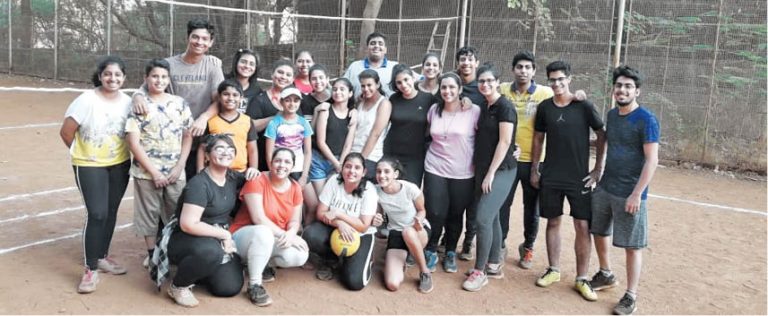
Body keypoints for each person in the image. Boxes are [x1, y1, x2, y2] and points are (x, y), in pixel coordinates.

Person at [530, 60, 606, 301]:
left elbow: (602, 134)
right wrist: (535, 169)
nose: (557, 83)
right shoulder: (544, 108)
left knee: (582, 226)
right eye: (552, 79)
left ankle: (582, 278)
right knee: (553, 222)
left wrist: (597, 168)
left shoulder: (583, 106)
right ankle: (553, 269)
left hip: (579, 178)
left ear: (569, 79)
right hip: (551, 175)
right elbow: (538, 139)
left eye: (561, 79)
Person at [589, 66, 659, 315]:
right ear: (613, 89)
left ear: (637, 91)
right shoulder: (612, 114)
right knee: (598, 230)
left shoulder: (646, 120)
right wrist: (598, 170)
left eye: (628, 86)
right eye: (619, 85)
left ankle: (630, 296)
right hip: (606, 186)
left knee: (632, 245)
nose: (623, 90)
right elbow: (606, 142)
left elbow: (652, 160)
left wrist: (636, 194)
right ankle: (606, 273)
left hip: (629, 192)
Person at [60, 56, 132, 294]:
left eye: (117, 75)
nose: (113, 78)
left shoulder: (128, 102)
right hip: (90, 165)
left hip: (119, 163)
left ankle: (102, 256)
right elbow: (67, 131)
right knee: (97, 213)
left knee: (111, 211)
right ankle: (90, 269)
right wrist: (83, 154)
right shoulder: (86, 100)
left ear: (124, 78)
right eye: (108, 74)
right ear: (100, 76)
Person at [132, 18, 225, 180]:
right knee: (171, 188)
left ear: (211, 43)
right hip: (173, 142)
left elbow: (220, 100)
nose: (199, 42)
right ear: (187, 38)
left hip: (202, 139)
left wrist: (203, 118)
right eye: (195, 37)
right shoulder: (169, 64)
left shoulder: (213, 66)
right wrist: (137, 96)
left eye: (204, 39)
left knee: (196, 187)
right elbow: (144, 87)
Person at [159, 134, 245, 307]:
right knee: (211, 253)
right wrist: (224, 235)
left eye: (230, 149)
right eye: (219, 148)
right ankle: (179, 286)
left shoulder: (232, 177)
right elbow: (188, 224)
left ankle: (199, 270)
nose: (225, 153)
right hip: (186, 237)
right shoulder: (199, 184)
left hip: (213, 238)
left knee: (228, 287)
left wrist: (255, 172)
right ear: (206, 155)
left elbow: (256, 182)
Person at [125, 59, 193, 269]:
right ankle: (152, 253)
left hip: (175, 172)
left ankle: (173, 251)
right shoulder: (139, 104)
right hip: (146, 173)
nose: (159, 80)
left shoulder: (179, 103)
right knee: (149, 215)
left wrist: (180, 166)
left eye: (164, 77)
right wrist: (154, 172)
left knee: (178, 212)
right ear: (146, 79)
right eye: (155, 76)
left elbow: (187, 135)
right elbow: (133, 142)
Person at [230, 147, 310, 307]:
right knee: (264, 232)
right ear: (271, 163)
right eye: (278, 160)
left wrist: (291, 233)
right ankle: (254, 285)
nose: (282, 165)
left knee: (300, 254)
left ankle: (262, 263)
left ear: (293, 166)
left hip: (272, 237)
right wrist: (283, 234)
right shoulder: (257, 180)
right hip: (243, 236)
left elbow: (295, 221)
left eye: (287, 162)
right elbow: (258, 218)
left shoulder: (295, 188)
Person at [462, 63, 517, 292]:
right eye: (481, 81)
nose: (485, 85)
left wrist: (491, 173)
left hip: (502, 170)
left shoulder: (505, 106)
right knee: (492, 217)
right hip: (485, 168)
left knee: (483, 218)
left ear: (498, 83)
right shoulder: (486, 105)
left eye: (489, 81)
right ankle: (494, 263)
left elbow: (505, 142)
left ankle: (480, 271)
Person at [497, 51, 553, 269]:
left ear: (534, 71)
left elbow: (565, 98)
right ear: (513, 69)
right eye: (519, 67)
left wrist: (578, 95)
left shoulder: (545, 93)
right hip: (508, 160)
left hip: (535, 162)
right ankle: (500, 245)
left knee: (532, 208)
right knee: (503, 204)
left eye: (528, 67)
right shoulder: (502, 90)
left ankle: (528, 247)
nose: (523, 71)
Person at [422, 73, 480, 273]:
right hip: (435, 167)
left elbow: (488, 135)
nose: (447, 91)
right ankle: (430, 248)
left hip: (463, 172)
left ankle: (450, 252)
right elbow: (429, 134)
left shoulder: (473, 111)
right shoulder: (433, 110)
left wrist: (511, 147)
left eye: (452, 87)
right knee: (435, 212)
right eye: (444, 87)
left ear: (460, 89)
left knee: (455, 214)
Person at [302, 153, 378, 291]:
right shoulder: (334, 181)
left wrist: (339, 214)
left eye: (357, 168)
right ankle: (331, 260)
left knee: (354, 282)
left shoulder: (369, 190)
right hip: (335, 229)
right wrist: (339, 223)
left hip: (360, 235)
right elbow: (320, 213)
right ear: (342, 168)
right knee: (310, 234)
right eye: (348, 167)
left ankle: (364, 259)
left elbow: (363, 227)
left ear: (364, 172)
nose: (352, 171)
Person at [372, 158, 433, 293]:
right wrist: (377, 219)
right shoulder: (375, 191)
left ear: (396, 174)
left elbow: (422, 210)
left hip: (418, 230)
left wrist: (418, 220)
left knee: (408, 232)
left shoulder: (409, 188)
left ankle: (425, 272)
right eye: (378, 171)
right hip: (396, 233)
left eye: (386, 171)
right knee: (392, 284)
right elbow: (379, 215)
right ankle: (406, 258)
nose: (382, 175)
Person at [264, 87, 319, 222]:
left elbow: (307, 151)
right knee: (290, 207)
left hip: (299, 170)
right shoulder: (274, 123)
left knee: (313, 205)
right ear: (281, 102)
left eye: (295, 101)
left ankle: (306, 233)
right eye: (288, 100)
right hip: (281, 169)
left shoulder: (303, 122)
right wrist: (274, 173)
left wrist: (304, 176)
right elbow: (269, 152)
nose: (292, 104)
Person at [197, 80, 259, 180]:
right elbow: (202, 148)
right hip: (214, 173)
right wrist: (200, 170)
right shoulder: (211, 121)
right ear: (219, 97)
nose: (231, 98)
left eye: (235, 95)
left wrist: (253, 168)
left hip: (240, 172)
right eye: (226, 94)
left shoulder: (247, 120)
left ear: (241, 98)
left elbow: (252, 150)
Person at [453, 46, 482, 261]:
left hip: (477, 153)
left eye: (470, 59)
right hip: (451, 154)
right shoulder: (450, 84)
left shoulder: (482, 87)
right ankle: (448, 239)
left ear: (476, 63)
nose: (466, 63)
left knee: (473, 201)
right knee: (453, 202)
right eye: (462, 59)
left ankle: (469, 241)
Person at [384, 64, 433, 185]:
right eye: (399, 82)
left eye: (406, 80)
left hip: (415, 157)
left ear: (413, 78)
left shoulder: (428, 99)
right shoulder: (393, 99)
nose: (404, 85)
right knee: (390, 190)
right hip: (392, 153)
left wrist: (465, 101)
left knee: (410, 192)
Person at [310, 78, 358, 202]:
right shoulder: (326, 110)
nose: (338, 92)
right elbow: (321, 142)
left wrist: (341, 164)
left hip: (338, 160)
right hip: (318, 160)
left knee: (333, 200)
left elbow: (348, 144)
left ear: (350, 93)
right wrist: (337, 165)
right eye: (335, 89)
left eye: (342, 89)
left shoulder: (352, 115)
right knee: (322, 200)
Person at [246, 59, 295, 171]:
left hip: (289, 159)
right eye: (280, 72)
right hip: (263, 158)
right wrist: (274, 118)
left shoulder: (296, 100)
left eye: (288, 75)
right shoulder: (259, 99)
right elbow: (250, 125)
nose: (283, 77)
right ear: (272, 74)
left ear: (292, 79)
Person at [350, 69, 391, 183]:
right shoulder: (360, 101)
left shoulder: (384, 104)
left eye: (369, 85)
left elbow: (375, 134)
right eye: (363, 86)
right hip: (353, 151)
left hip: (370, 156)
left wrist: (361, 160)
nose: (366, 89)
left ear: (377, 84)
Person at [343, 32, 399, 98]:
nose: (376, 46)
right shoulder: (354, 67)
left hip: (390, 107)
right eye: (373, 43)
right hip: (360, 107)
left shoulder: (395, 67)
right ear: (367, 48)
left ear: (385, 50)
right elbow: (342, 87)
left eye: (380, 44)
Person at [225, 48, 262, 114]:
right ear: (236, 62)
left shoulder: (257, 91)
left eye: (251, 64)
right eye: (243, 62)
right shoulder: (222, 80)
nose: (247, 66)